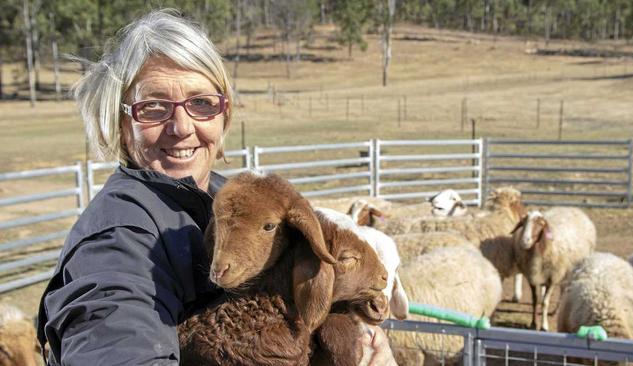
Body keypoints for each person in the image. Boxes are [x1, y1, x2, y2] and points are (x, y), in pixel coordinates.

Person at [37, 9, 397, 366]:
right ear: (119, 123)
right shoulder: (115, 244)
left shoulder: (228, 200)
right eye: (153, 107)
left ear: (224, 114)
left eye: (201, 104)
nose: (181, 126)